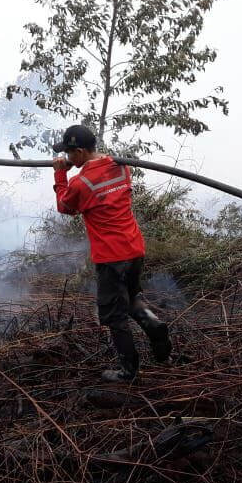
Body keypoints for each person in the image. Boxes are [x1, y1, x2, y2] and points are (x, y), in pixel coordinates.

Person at [50, 125, 172, 382]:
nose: (69, 158)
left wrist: (60, 174)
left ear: (81, 152)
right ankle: (153, 324)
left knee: (114, 316)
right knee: (129, 298)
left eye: (70, 154)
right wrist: (72, 166)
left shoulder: (81, 183)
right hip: (133, 248)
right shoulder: (120, 166)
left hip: (111, 256)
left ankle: (128, 371)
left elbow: (65, 206)